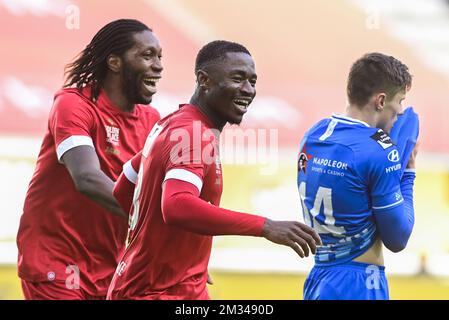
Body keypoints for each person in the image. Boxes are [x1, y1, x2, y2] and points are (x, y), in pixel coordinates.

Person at [107, 40, 322, 300]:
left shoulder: (171, 125)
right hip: (158, 293)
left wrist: (184, 259)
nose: (248, 90)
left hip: (169, 286)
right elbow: (176, 205)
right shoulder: (193, 133)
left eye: (252, 81)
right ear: (204, 80)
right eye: (237, 78)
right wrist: (265, 227)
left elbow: (123, 188)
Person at [16, 19, 163, 300]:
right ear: (115, 62)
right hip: (56, 263)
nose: (158, 65)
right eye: (147, 55)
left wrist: (176, 248)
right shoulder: (74, 104)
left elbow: (159, 195)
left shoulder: (153, 122)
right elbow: (86, 178)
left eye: (159, 57)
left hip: (113, 268)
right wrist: (151, 221)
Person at [297, 52, 418, 300]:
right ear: (381, 101)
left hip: (319, 277)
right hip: (359, 283)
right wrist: (408, 173)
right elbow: (398, 238)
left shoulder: (314, 135)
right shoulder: (378, 152)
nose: (401, 111)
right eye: (400, 101)